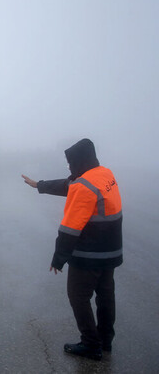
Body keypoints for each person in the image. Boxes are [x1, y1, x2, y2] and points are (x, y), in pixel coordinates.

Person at [22, 138, 123, 361]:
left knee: (78, 296)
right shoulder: (104, 174)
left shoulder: (82, 187)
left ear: (79, 161)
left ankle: (90, 344)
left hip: (89, 254)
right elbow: (69, 184)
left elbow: (69, 229)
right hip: (111, 252)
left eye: (70, 162)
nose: (69, 167)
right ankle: (105, 340)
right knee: (106, 296)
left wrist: (58, 259)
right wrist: (39, 185)